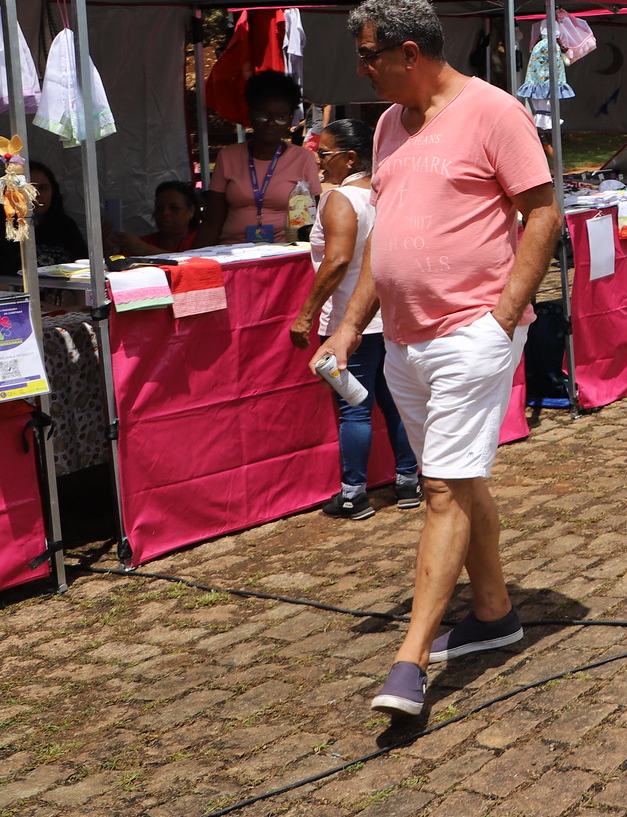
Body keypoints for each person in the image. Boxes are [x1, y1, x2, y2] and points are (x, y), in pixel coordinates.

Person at [311, 0, 561, 718]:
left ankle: (409, 661)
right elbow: (386, 237)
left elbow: (543, 212)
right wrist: (350, 324)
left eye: (368, 55)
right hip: (404, 338)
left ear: (408, 53)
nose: (360, 69)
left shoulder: (493, 111)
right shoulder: (391, 123)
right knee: (462, 480)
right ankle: (493, 612)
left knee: (443, 489)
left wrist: (504, 313)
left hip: (470, 334)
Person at [292, 118, 420, 520]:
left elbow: (338, 259)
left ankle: (353, 493)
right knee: (393, 403)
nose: (319, 162)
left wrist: (305, 316)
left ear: (349, 158)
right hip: (388, 318)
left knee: (354, 408)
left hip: (349, 322)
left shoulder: (340, 200)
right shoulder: (383, 195)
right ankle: (408, 480)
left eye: (324, 154)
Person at [200, 69, 320, 245]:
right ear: (251, 115)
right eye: (263, 115)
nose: (271, 123)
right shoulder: (228, 157)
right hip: (232, 249)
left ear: (290, 120)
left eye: (280, 117)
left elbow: (315, 218)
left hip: (283, 250)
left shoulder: (302, 158)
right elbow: (212, 222)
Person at [113, 180, 201, 255]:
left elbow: (192, 264)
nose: (165, 212)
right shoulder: (139, 243)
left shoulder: (201, 240)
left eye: (174, 208)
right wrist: (108, 251)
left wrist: (146, 250)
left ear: (191, 211)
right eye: (159, 207)